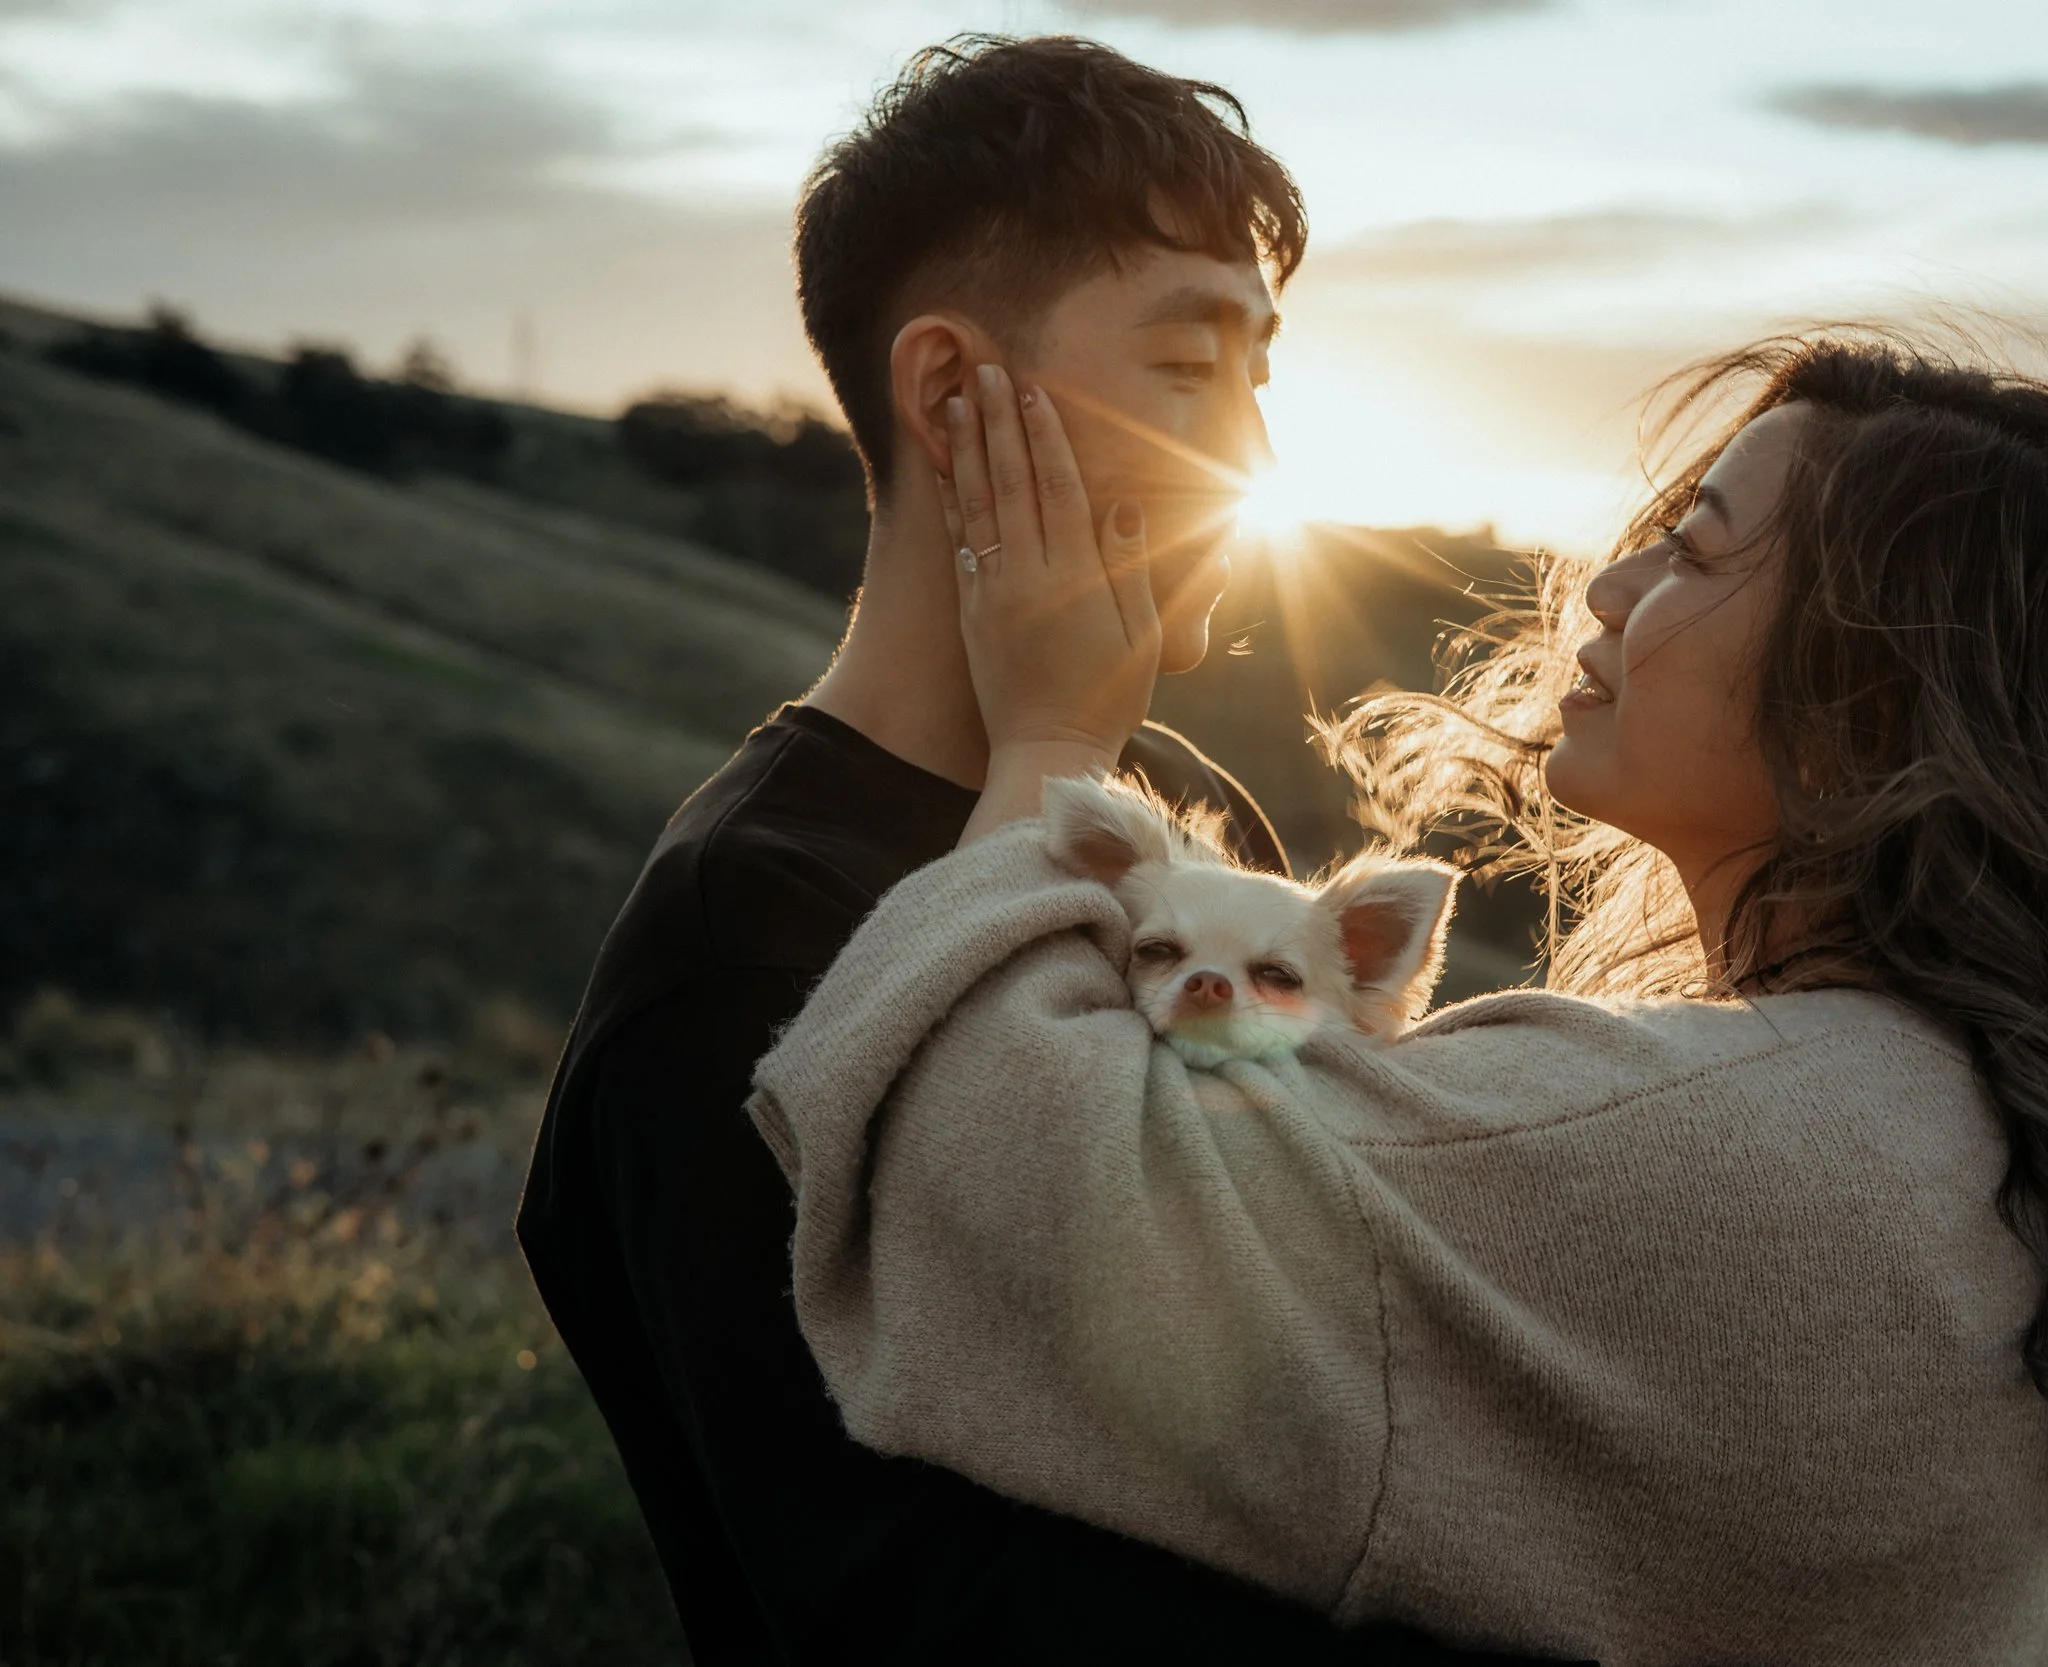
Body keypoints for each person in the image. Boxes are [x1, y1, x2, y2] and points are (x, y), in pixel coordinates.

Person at [747, 327, 2048, 1664]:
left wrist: (1050, 739)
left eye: (1689, 550)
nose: (1603, 586)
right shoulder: (1971, 1137)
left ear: (1871, 702)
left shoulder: (1719, 1145)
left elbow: (993, 1163)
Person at [516, 33, 1569, 1667]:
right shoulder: (743, 937)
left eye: (1260, 377)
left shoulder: (1180, 809)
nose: (1257, 457)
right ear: (952, 396)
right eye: (1186, 368)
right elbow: (905, 1598)